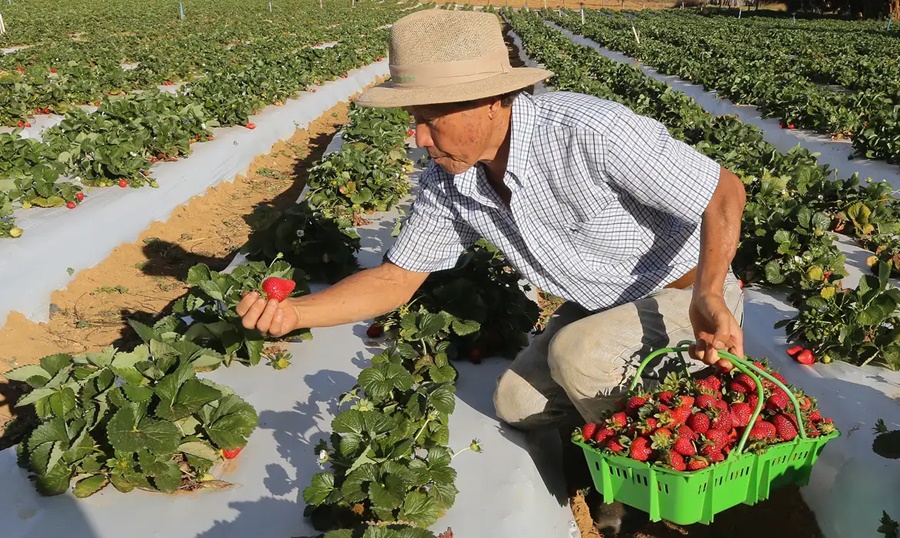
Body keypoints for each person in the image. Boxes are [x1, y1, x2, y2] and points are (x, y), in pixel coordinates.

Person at [237, 9, 745, 527]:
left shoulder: (588, 130)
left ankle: (652, 485)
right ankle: (608, 439)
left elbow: (724, 191)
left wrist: (709, 293)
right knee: (516, 402)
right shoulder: (450, 180)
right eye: (414, 118)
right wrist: (297, 313)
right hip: (603, 306)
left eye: (431, 119)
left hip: (683, 295)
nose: (418, 138)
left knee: (581, 354)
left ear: (493, 101)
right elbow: (396, 278)